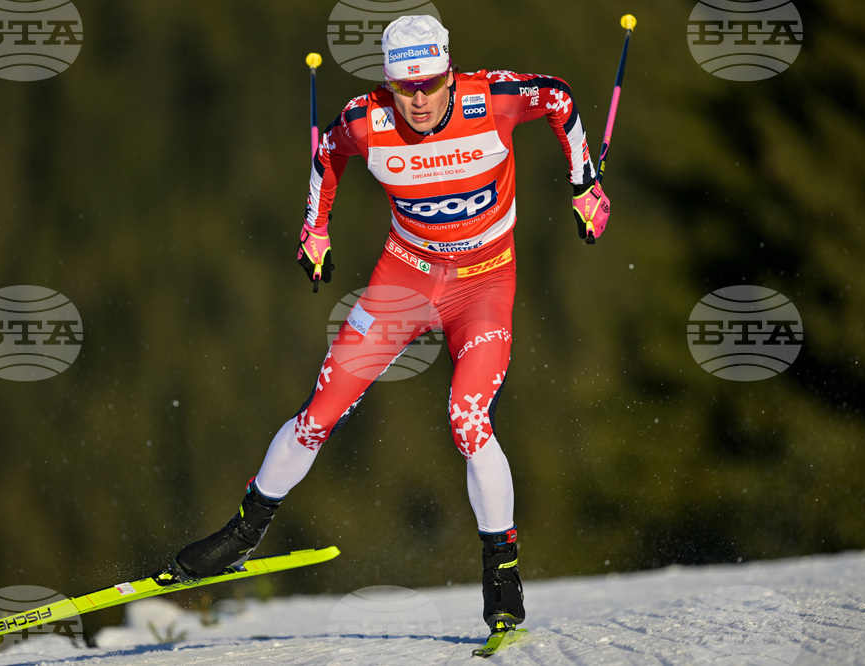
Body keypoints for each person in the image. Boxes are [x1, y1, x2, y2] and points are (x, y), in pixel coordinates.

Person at [173, 14, 610, 634]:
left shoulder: (493, 98)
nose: (420, 100)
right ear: (387, 83)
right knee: (319, 413)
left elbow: (560, 98)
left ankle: (502, 570)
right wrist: (315, 228)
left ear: (449, 72)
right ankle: (243, 532)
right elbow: (327, 152)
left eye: (430, 84)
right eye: (405, 88)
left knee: (468, 419)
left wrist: (584, 183)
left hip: (484, 283)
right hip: (404, 280)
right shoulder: (365, 120)